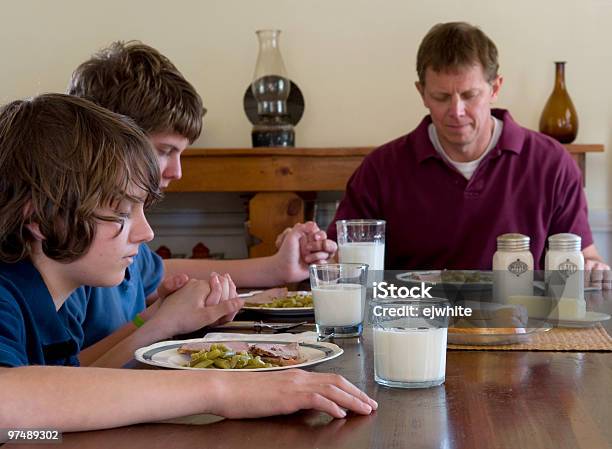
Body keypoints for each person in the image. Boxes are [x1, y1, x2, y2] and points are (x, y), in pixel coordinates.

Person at [0, 94, 376, 431]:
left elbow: (71, 392)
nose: (146, 234)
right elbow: (11, 401)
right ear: (41, 218)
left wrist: (157, 322)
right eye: (120, 212)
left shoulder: (55, 298)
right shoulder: (6, 293)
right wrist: (223, 390)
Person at [66, 41, 336, 353]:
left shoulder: (123, 241)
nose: (177, 171)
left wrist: (278, 268)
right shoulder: (75, 248)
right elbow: (62, 378)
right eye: (165, 151)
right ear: (113, 141)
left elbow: (157, 274)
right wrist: (161, 323)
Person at [327, 22, 609, 284]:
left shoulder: (551, 163)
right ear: (422, 93)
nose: (457, 111)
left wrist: (595, 269)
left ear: (495, 87)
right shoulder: (381, 168)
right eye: (441, 97)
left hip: (522, 323)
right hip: (410, 321)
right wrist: (316, 252)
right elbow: (337, 262)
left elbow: (586, 256)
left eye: (470, 95)